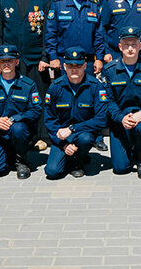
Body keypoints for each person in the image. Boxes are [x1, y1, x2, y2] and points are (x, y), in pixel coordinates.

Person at [0, 0, 54, 147]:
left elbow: (48, 32)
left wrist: (45, 57)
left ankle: (42, 137)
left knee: (39, 99)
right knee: (16, 100)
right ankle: (19, 136)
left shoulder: (43, 0)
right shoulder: (4, 1)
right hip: (11, 62)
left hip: (36, 60)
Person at [44, 48, 113, 179]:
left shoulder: (95, 86)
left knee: (85, 139)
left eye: (78, 65)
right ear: (64, 66)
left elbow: (101, 119)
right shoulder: (55, 87)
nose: (74, 69)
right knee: (52, 172)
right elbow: (49, 120)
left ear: (85, 66)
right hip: (61, 136)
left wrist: (72, 128)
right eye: (70, 66)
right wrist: (63, 144)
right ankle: (70, 155)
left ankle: (78, 163)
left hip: (83, 133)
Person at [102, 27, 141, 179]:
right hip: (119, 117)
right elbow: (107, 100)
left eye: (134, 44)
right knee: (120, 168)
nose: (130, 48)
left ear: (140, 46)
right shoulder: (109, 70)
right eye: (126, 44)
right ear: (120, 46)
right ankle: (130, 149)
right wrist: (120, 117)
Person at [0, 45, 39, 179]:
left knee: (18, 128)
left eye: (10, 60)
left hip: (20, 132)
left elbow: (36, 110)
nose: (6, 64)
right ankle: (9, 154)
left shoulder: (28, 85)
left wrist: (15, 118)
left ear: (16, 62)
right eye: (3, 61)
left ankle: (22, 160)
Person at [45, 0, 104, 72]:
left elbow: (99, 36)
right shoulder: (58, 5)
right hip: (64, 62)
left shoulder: (94, 6)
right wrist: (53, 57)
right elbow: (50, 34)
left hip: (87, 62)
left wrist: (99, 58)